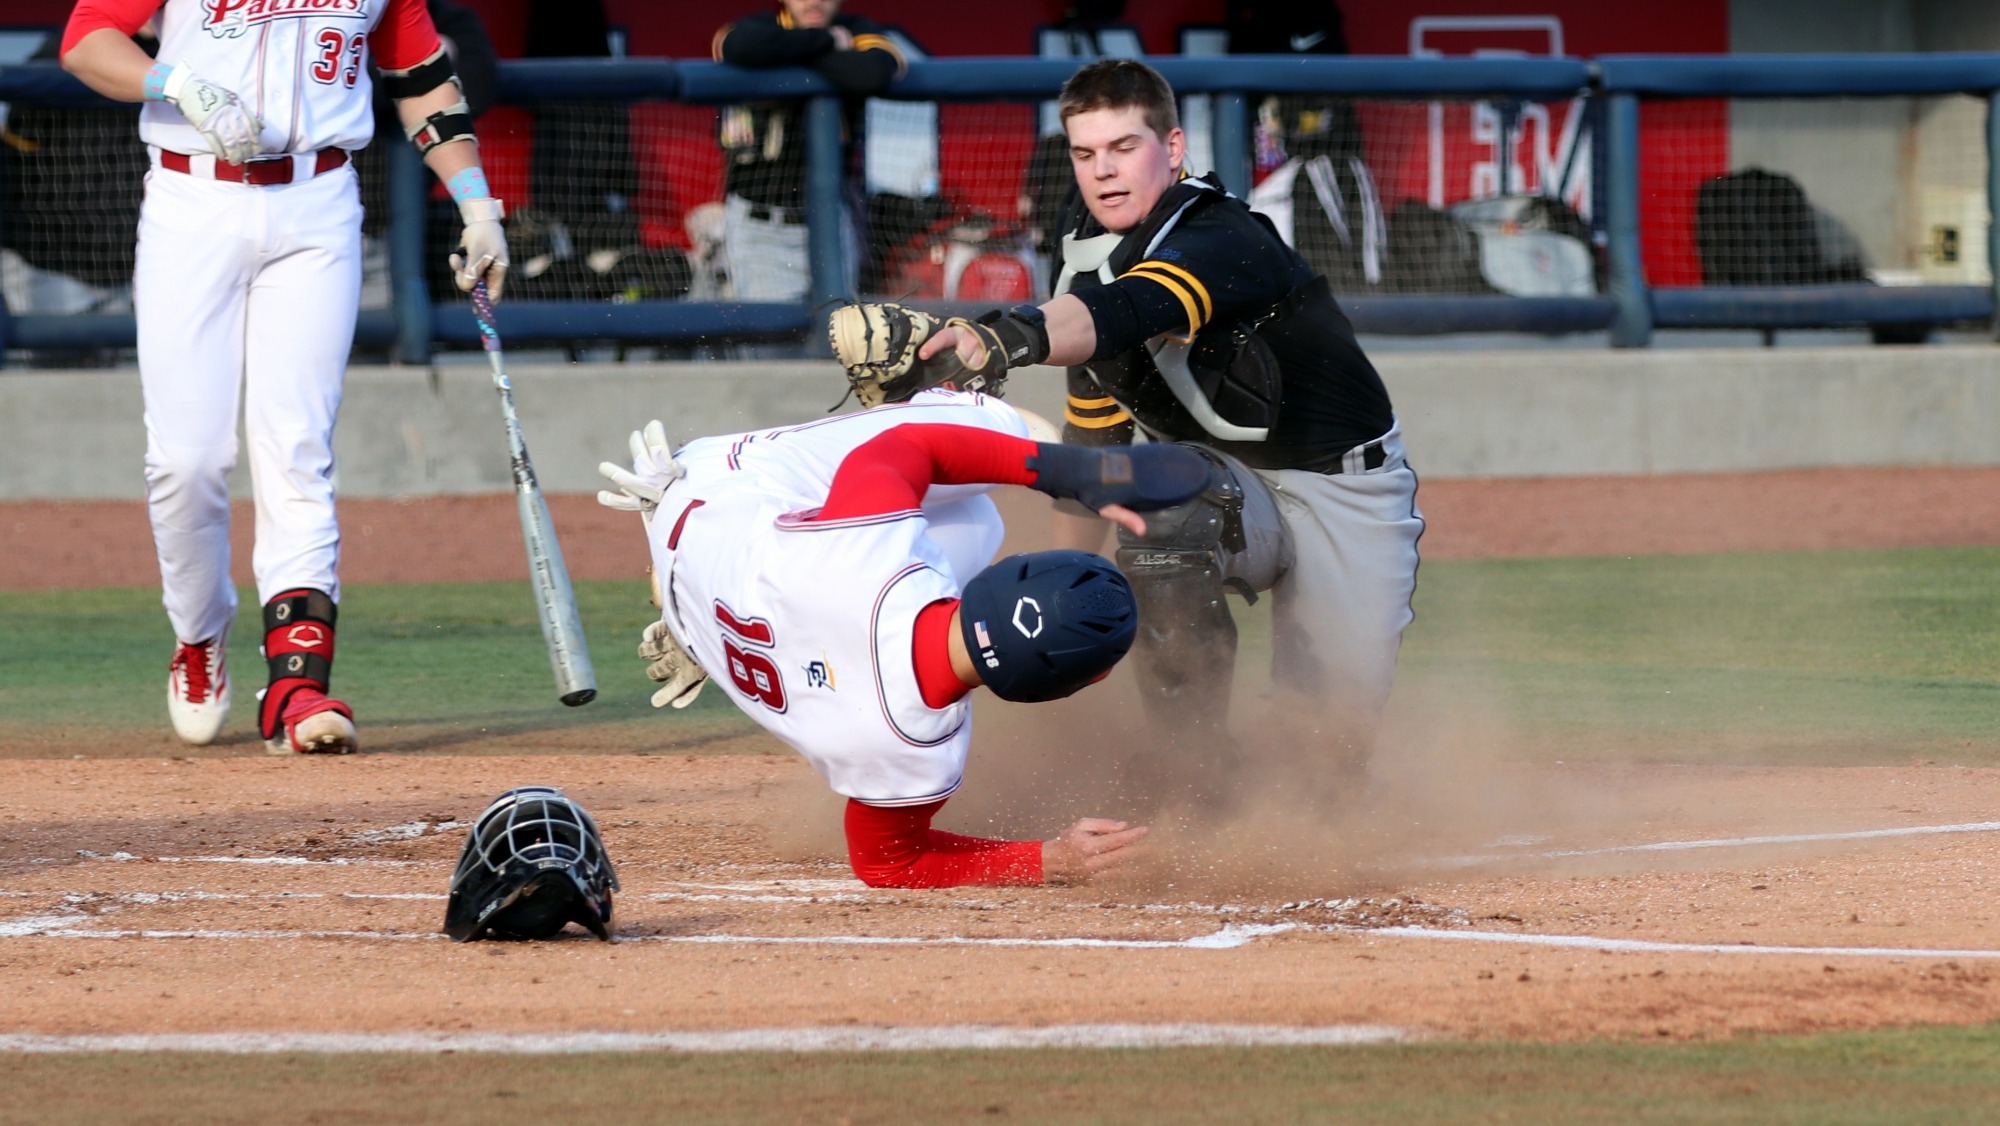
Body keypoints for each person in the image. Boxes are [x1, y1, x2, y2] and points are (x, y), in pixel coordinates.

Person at [869, 59, 1424, 784]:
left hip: (1343, 492)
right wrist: (1066, 577)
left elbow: (1134, 308)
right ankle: (1191, 769)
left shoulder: (1223, 235)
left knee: (1321, 766)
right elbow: (1093, 444)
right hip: (1223, 485)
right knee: (1160, 502)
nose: (1103, 171)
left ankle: (1301, 775)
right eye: (1085, 152)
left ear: (1173, 147)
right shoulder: (1085, 263)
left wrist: (1003, 336)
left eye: (1124, 147)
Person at [61, 0, 512, 753]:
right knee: (187, 458)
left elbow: (422, 76)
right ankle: (199, 634)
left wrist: (476, 203)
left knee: (297, 447)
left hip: (317, 202)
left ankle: (298, 685)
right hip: (192, 197)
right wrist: (178, 84)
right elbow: (85, 42)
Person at [595, 391, 1210, 888]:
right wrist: (1047, 859)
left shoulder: (875, 553)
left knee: (1004, 440)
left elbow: (908, 447)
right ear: (1072, 685)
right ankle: (694, 628)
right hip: (736, 640)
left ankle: (918, 392)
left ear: (999, 576)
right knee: (971, 515)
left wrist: (1075, 472)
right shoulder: (917, 754)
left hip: (696, 506)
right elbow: (888, 864)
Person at [711, 0, 905, 301]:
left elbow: (872, 73)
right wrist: (827, 43)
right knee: (771, 341)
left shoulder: (857, 30)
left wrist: (789, 53)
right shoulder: (761, 27)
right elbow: (738, 46)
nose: (814, 2)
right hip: (760, 228)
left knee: (839, 337)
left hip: (831, 224)